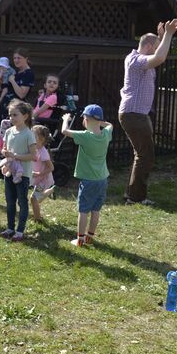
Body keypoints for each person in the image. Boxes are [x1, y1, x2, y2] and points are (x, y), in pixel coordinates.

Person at [118, 18, 177, 206]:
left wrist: (163, 38)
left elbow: (160, 54)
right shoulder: (136, 60)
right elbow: (160, 57)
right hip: (134, 114)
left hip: (137, 114)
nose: (158, 49)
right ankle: (135, 196)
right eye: (156, 46)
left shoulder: (139, 59)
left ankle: (132, 193)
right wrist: (168, 35)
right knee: (146, 155)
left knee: (142, 154)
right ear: (148, 46)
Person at [61, 104, 113, 247]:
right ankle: (90, 236)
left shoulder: (84, 136)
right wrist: (101, 122)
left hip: (89, 181)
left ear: (87, 120)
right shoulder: (106, 134)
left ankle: (80, 239)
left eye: (84, 118)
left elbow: (64, 131)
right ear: (100, 120)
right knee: (96, 210)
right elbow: (110, 125)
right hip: (102, 179)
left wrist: (66, 118)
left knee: (83, 211)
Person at [0, 101, 37, 241]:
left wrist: (16, 156)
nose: (11, 118)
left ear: (25, 116)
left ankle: (20, 231)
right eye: (10, 115)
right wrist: (5, 153)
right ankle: (10, 228)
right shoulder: (8, 132)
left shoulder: (28, 134)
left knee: (22, 201)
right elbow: (4, 149)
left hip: (23, 174)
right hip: (10, 171)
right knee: (10, 201)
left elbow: (34, 156)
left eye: (15, 115)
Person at [0, 48, 35, 122]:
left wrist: (12, 81)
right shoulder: (15, 72)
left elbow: (22, 94)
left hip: (16, 110)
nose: (16, 60)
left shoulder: (28, 73)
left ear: (26, 58)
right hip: (6, 107)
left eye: (19, 58)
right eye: (14, 58)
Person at [30, 124, 55, 221]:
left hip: (44, 179)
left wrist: (39, 174)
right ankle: (50, 190)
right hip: (38, 178)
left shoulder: (43, 153)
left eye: (33, 136)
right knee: (37, 198)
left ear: (41, 139)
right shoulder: (34, 148)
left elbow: (51, 167)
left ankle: (37, 219)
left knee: (33, 199)